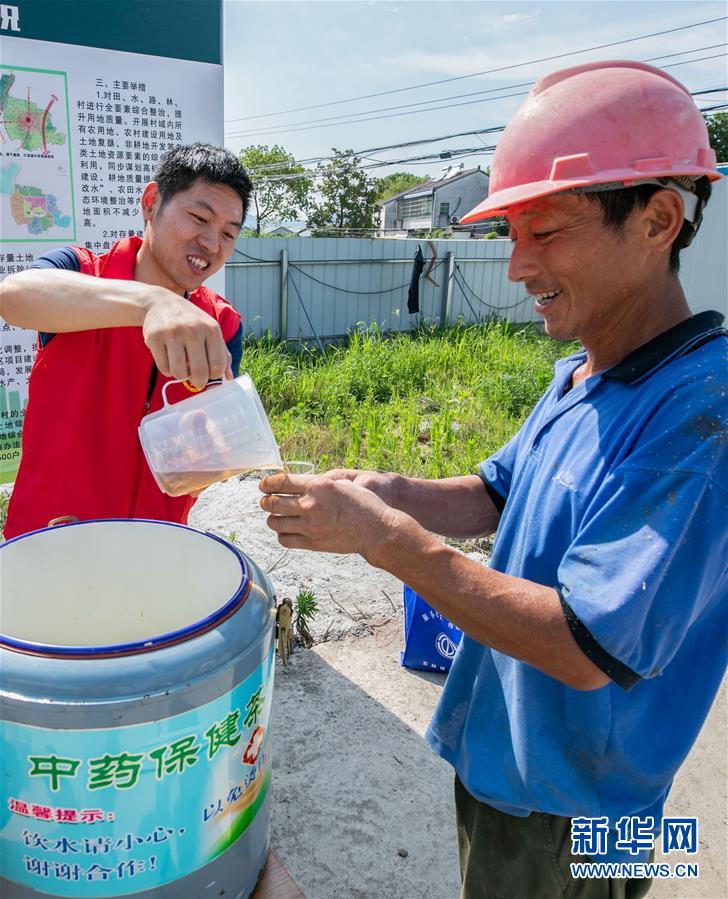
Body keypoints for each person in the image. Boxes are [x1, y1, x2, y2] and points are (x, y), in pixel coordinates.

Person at [258, 61, 727, 898]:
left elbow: (585, 646)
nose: (516, 267)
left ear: (658, 220)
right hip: (511, 768)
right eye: (510, 234)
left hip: (581, 813)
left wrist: (384, 539)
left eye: (543, 232)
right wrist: (393, 491)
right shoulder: (582, 372)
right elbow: (495, 492)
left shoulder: (704, 414)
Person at [0, 143, 252, 539]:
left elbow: (197, 467)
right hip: (50, 541)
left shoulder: (221, 325)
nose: (211, 243)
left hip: (154, 547)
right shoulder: (81, 272)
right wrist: (148, 303)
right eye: (199, 217)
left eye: (227, 233)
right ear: (151, 203)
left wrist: (211, 452)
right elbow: (14, 296)